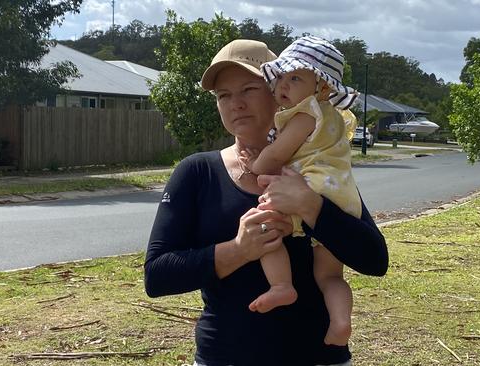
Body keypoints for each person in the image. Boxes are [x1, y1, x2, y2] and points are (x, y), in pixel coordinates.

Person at [144, 39, 388, 366]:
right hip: (226, 356)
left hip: (316, 356)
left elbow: (374, 259)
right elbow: (157, 276)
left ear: (280, 90)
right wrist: (239, 249)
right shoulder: (197, 172)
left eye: (248, 89)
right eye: (223, 96)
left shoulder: (318, 168)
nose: (236, 104)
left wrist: (311, 206)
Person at [237, 35, 361, 346]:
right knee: (330, 276)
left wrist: (255, 165)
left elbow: (278, 155)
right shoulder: (333, 115)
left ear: (321, 88)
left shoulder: (305, 114)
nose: (283, 85)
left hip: (311, 186)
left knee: (264, 224)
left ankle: (281, 285)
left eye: (295, 78)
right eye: (280, 77)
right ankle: (341, 322)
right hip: (341, 196)